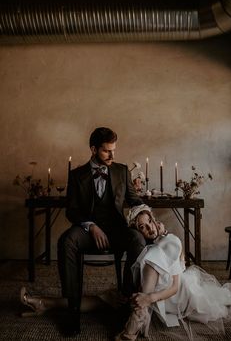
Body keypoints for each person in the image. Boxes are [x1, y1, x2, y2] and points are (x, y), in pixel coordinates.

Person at [57, 127, 146, 336]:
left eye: (114, 150)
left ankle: (126, 300)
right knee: (66, 241)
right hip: (87, 231)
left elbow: (135, 201)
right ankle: (73, 309)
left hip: (116, 231)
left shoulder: (122, 171)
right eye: (107, 151)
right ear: (93, 149)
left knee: (137, 239)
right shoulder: (77, 175)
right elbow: (71, 211)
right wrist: (91, 225)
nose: (113, 155)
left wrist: (144, 216)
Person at [116, 204, 231, 341]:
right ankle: (138, 316)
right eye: (142, 227)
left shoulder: (171, 241)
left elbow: (174, 288)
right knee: (152, 253)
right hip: (162, 294)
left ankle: (137, 319)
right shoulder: (149, 248)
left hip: (180, 295)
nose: (149, 228)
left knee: (161, 249)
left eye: (149, 222)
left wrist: (149, 298)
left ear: (154, 220)